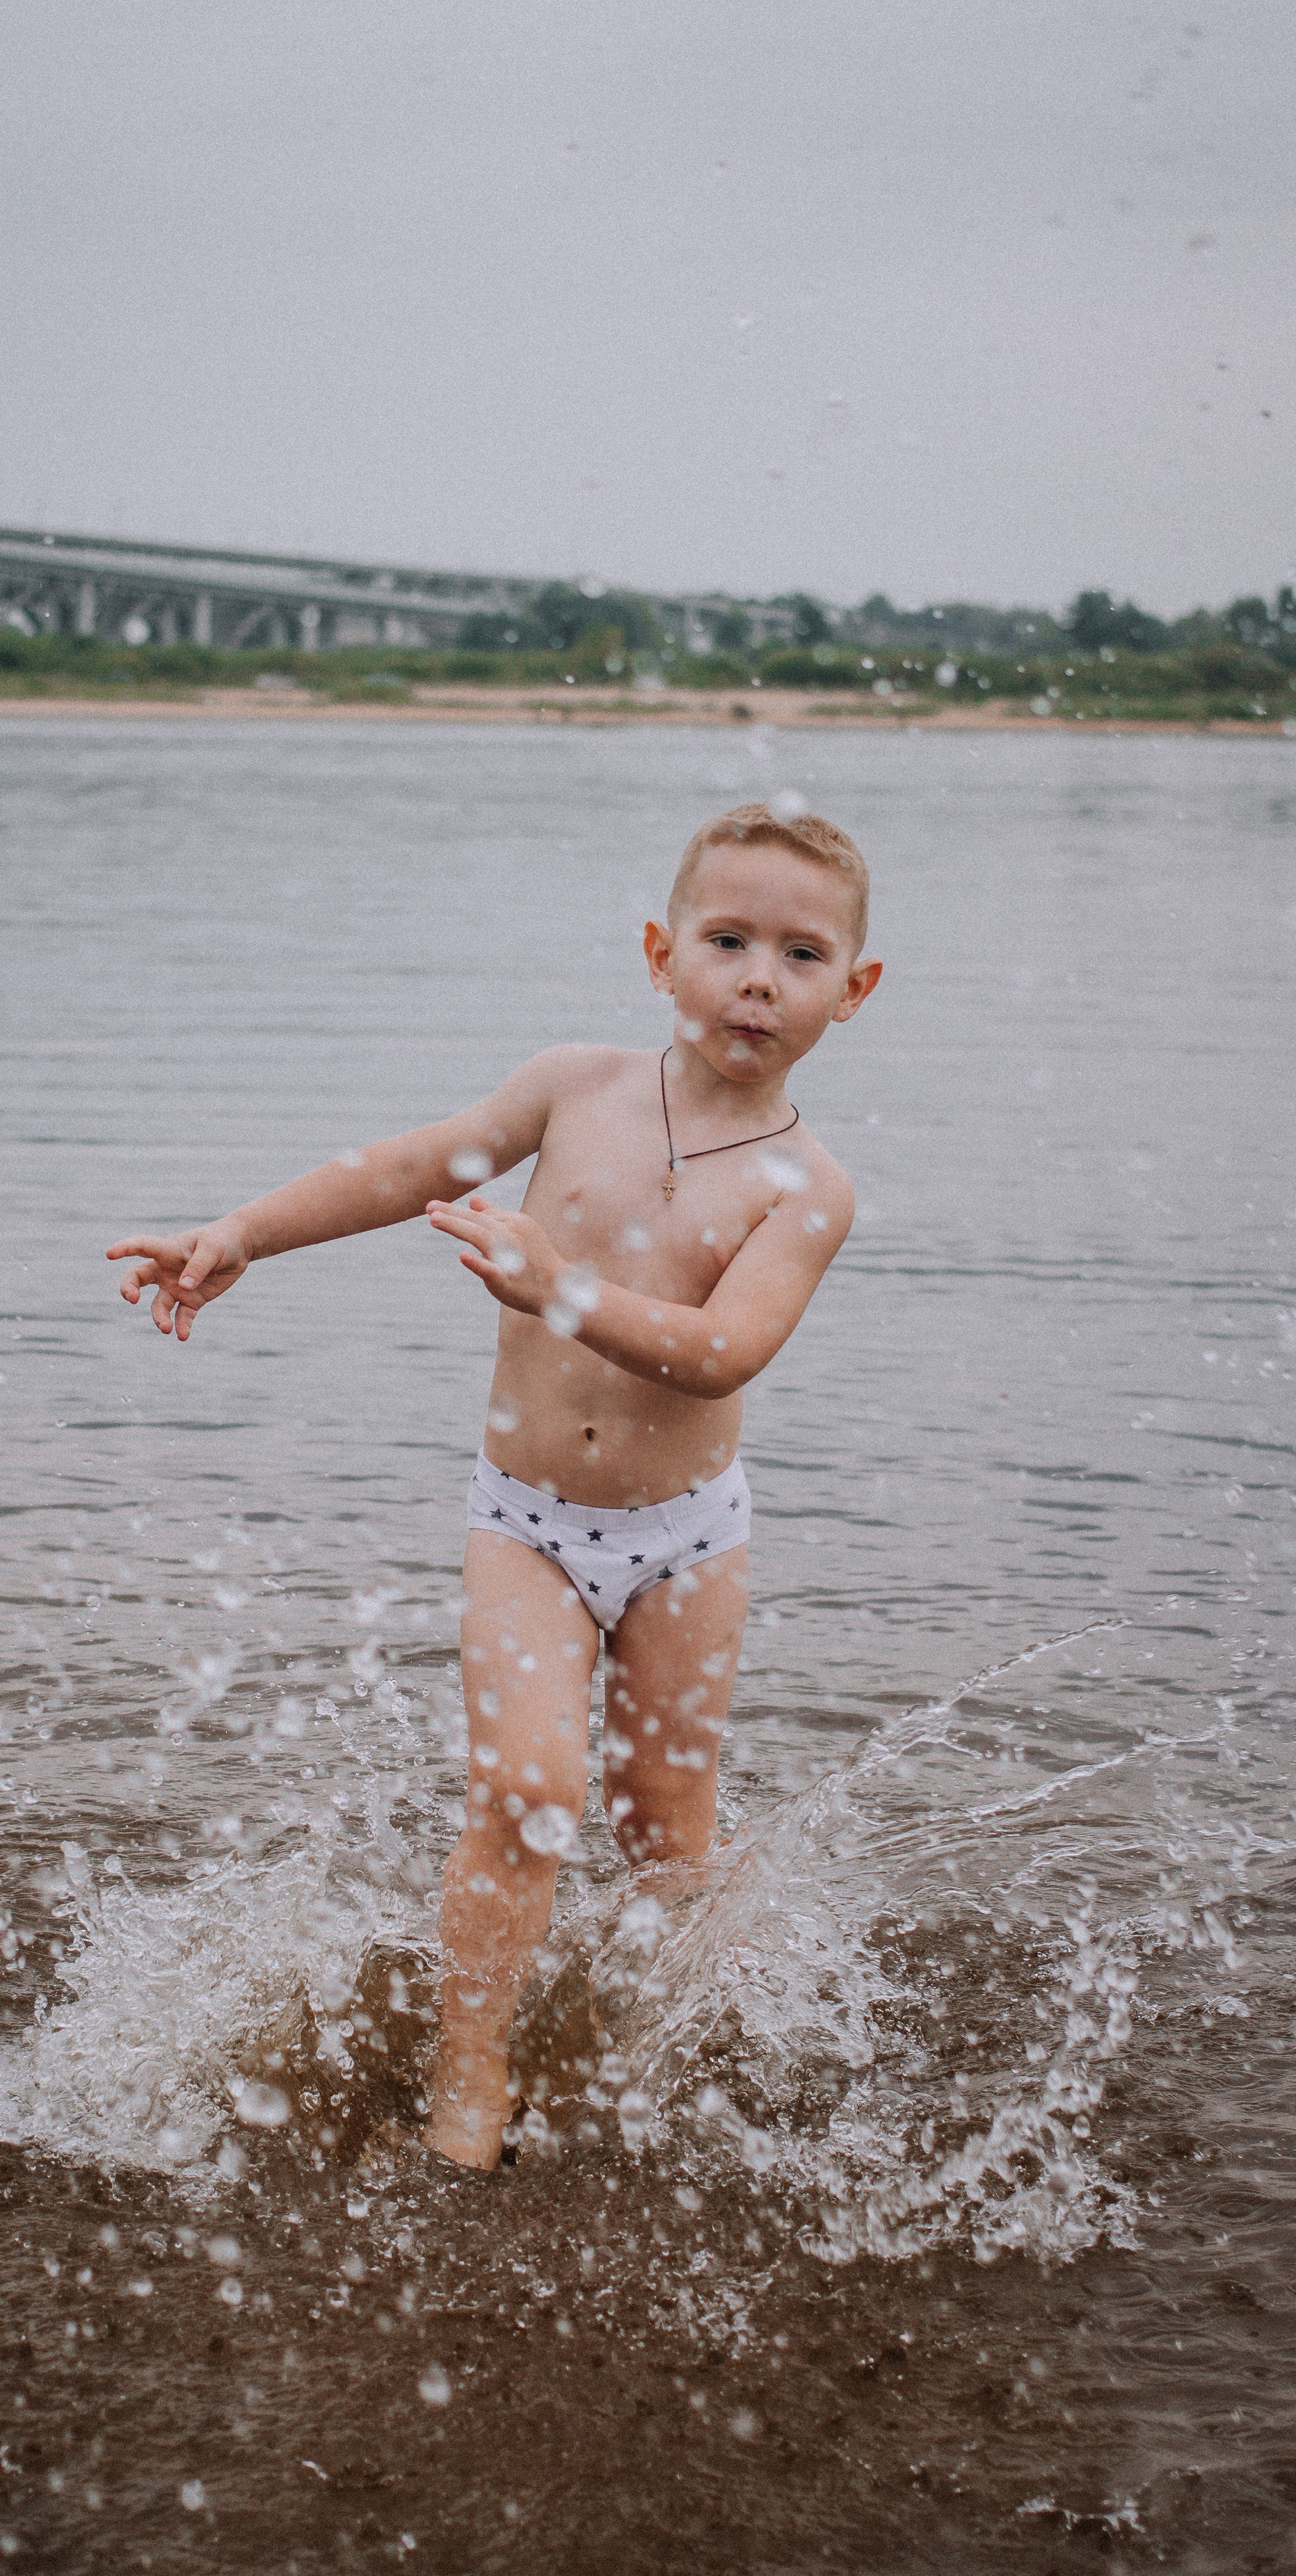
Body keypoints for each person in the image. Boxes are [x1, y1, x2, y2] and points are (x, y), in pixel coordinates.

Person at [107, 802, 883, 2170]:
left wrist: (561, 1289)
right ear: (660, 955)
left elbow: (724, 1354)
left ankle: (670, 2042)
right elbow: (410, 1168)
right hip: (526, 1524)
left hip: (688, 1540)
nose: (759, 980)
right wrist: (243, 1233)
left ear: (853, 991)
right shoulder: (571, 1089)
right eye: (727, 941)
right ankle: (472, 2072)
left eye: (801, 955)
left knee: (663, 1838)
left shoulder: (807, 1187)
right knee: (527, 1792)